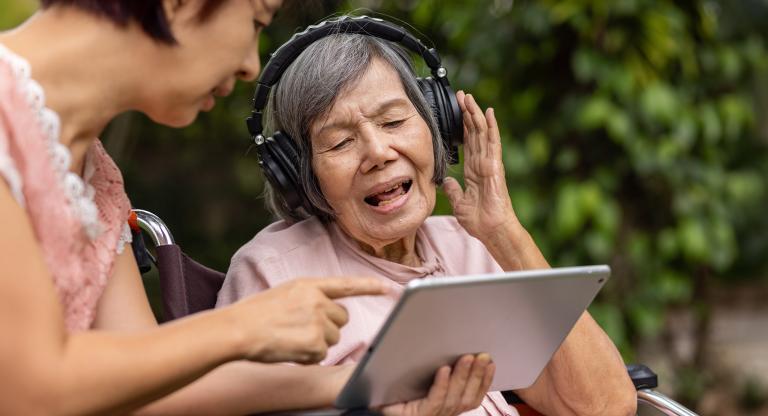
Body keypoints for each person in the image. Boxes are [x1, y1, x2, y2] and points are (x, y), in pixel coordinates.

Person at [0, 1, 494, 414]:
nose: (249, 67)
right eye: (256, 20)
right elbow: (32, 391)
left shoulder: (93, 171)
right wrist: (244, 326)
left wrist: (374, 388)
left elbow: (149, 394)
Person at [217, 24, 639, 416]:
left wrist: (504, 233)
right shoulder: (274, 271)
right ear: (299, 174)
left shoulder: (469, 246)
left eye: (394, 121)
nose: (378, 151)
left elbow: (604, 406)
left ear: (436, 126)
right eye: (341, 141)